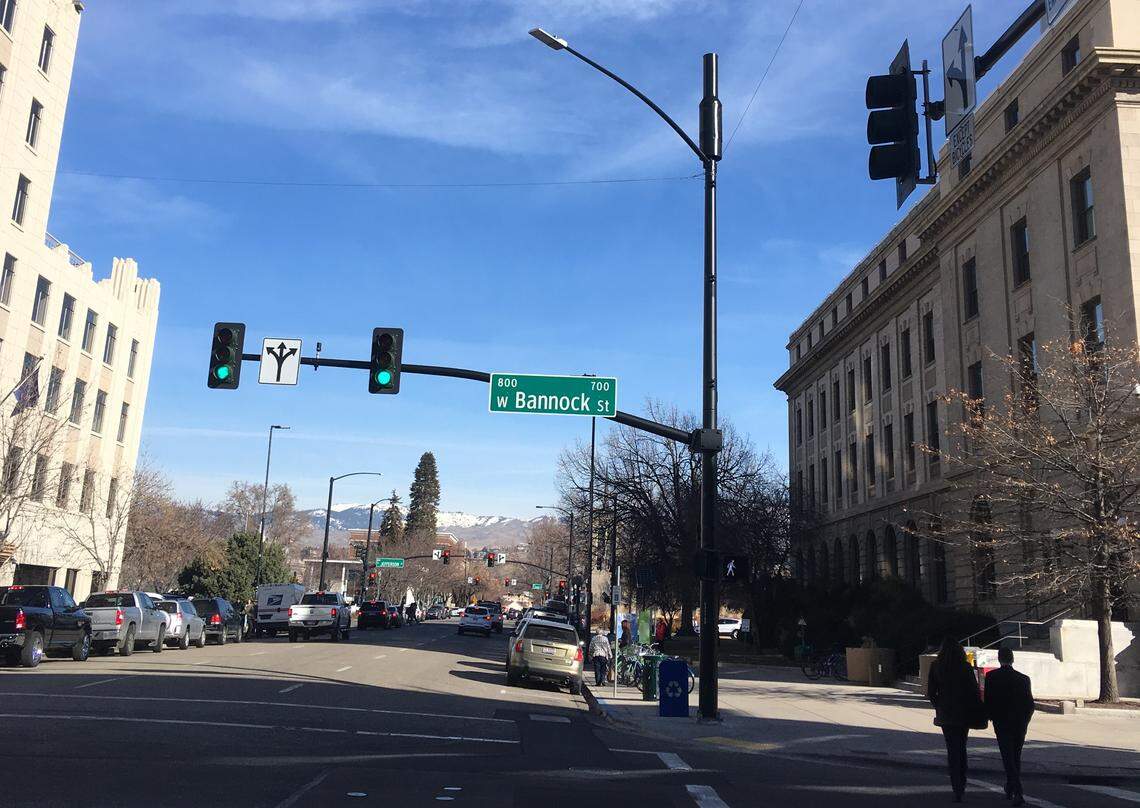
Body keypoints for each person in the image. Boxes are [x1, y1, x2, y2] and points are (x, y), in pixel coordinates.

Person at [927, 636, 987, 803]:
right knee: (961, 747)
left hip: (946, 713)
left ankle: (956, 785)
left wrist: (938, 705)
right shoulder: (965, 667)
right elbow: (973, 691)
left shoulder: (936, 666)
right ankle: (962, 780)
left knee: (952, 749)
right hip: (963, 712)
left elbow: (931, 692)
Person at [985, 647, 1035, 806]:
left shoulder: (991, 677)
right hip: (1019, 723)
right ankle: (1011, 786)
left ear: (999, 659)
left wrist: (990, 717)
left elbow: (988, 700)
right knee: (1015, 756)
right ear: (1012, 659)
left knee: (1007, 756)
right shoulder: (1024, 679)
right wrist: (1025, 721)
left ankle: (1017, 790)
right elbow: (1030, 704)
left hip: (1001, 722)